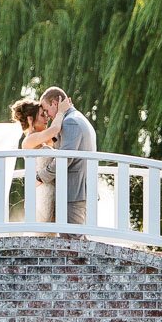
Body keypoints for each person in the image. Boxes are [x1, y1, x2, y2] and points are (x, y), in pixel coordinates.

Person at [38, 86, 97, 225]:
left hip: (74, 191)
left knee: (73, 240)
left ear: (55, 103)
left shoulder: (71, 122)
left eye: (46, 110)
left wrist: (41, 176)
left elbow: (64, 159)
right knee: (72, 240)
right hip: (77, 189)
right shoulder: (76, 118)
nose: (47, 115)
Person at [9, 95, 67, 222]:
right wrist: (61, 111)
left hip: (50, 190)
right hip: (42, 193)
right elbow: (55, 129)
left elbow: (57, 136)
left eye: (46, 114)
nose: (46, 118)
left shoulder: (42, 139)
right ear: (30, 119)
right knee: (43, 232)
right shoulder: (29, 140)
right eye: (42, 115)